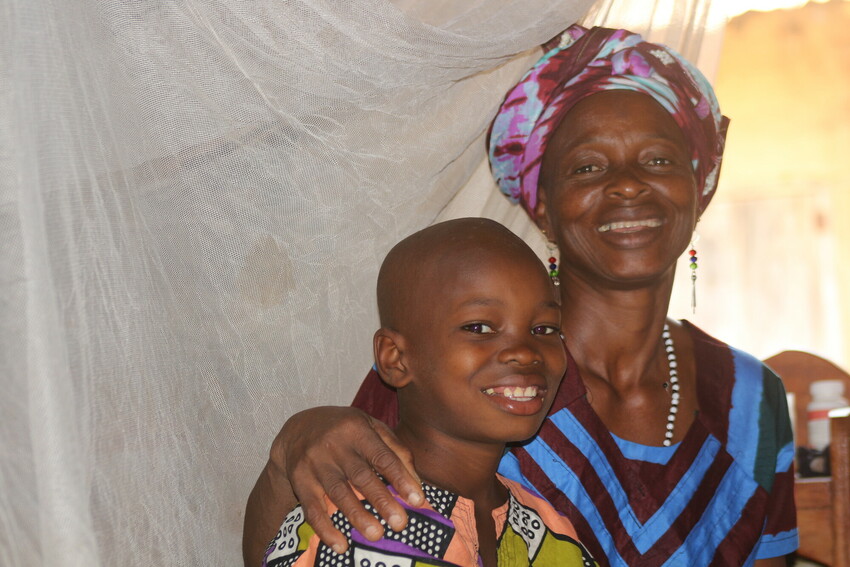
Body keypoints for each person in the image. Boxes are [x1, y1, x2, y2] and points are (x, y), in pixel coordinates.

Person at [244, 25, 798, 567]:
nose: (628, 183)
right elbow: (320, 537)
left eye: (658, 160)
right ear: (540, 204)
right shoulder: (461, 376)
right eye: (587, 167)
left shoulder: (750, 400)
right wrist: (289, 452)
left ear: (703, 184)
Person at [261, 217, 597, 567]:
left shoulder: (551, 533)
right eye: (479, 327)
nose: (526, 351)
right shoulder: (363, 522)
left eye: (544, 328)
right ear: (396, 359)